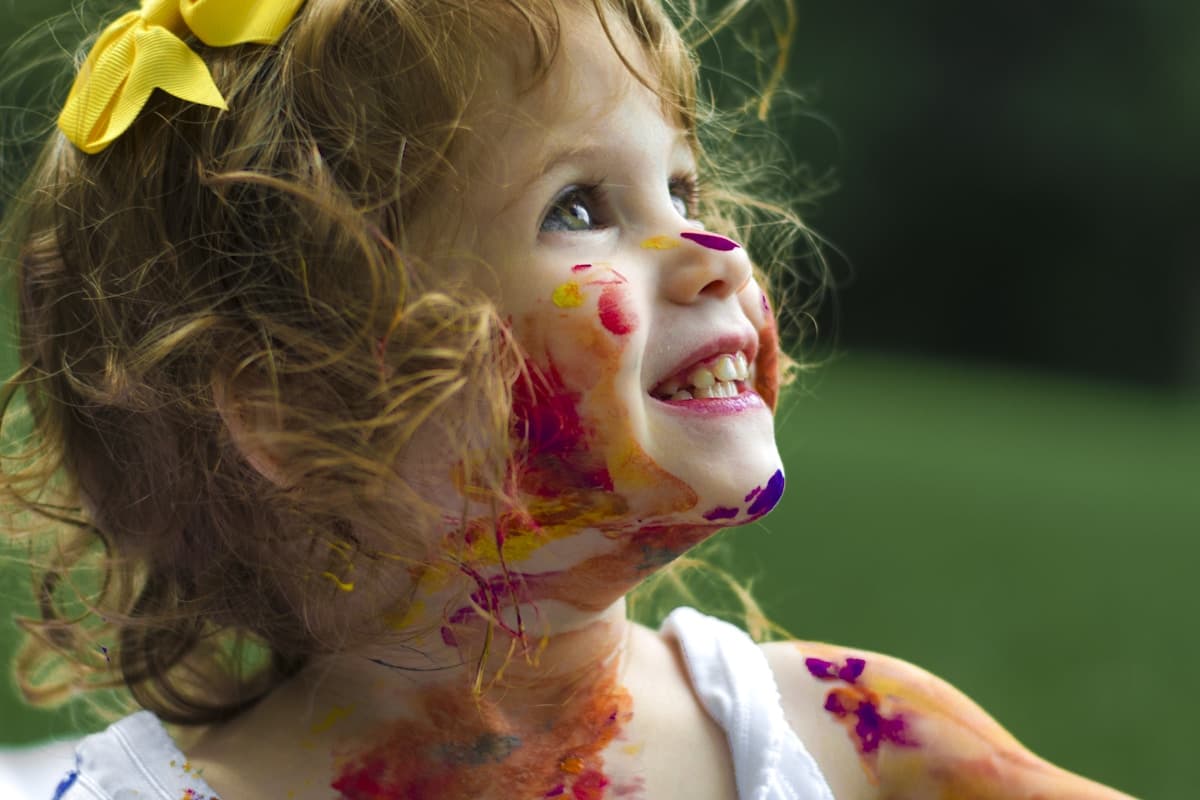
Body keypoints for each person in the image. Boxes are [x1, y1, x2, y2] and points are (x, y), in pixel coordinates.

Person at [0, 1, 1136, 798]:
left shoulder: (847, 739)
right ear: (298, 411)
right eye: (580, 206)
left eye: (682, 184)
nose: (710, 248)